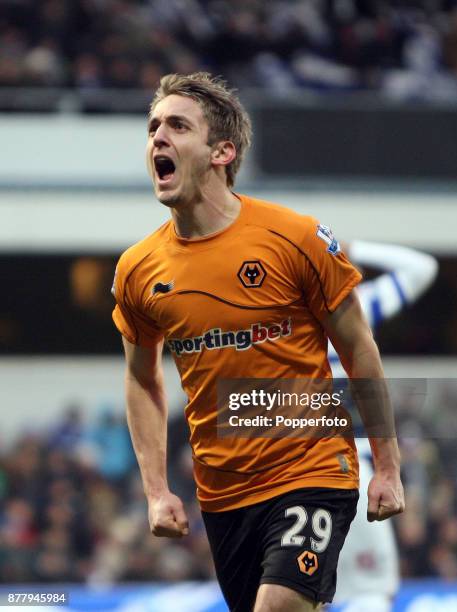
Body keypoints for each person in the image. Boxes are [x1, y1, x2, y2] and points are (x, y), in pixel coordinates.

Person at [111, 72, 404, 612]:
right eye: (153, 126)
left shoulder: (295, 238)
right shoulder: (138, 269)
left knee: (279, 607)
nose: (157, 137)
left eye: (178, 125)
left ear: (222, 151)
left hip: (312, 469)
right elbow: (140, 377)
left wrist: (386, 466)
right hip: (224, 497)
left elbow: (359, 348)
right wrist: (155, 490)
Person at [331, 241, 438, 612]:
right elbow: (421, 267)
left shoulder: (272, 313)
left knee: (293, 590)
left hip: (285, 467)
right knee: (370, 590)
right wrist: (358, 247)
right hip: (346, 463)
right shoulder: (351, 303)